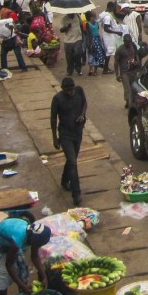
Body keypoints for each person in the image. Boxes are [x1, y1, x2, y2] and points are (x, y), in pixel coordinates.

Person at [51, 77, 87, 206]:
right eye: (67, 90)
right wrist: (55, 137)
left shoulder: (79, 91)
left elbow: (84, 104)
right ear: (62, 89)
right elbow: (53, 118)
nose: (70, 93)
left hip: (78, 132)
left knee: (72, 159)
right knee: (72, 162)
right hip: (65, 134)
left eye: (71, 90)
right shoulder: (57, 99)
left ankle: (64, 179)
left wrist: (82, 115)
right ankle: (76, 194)